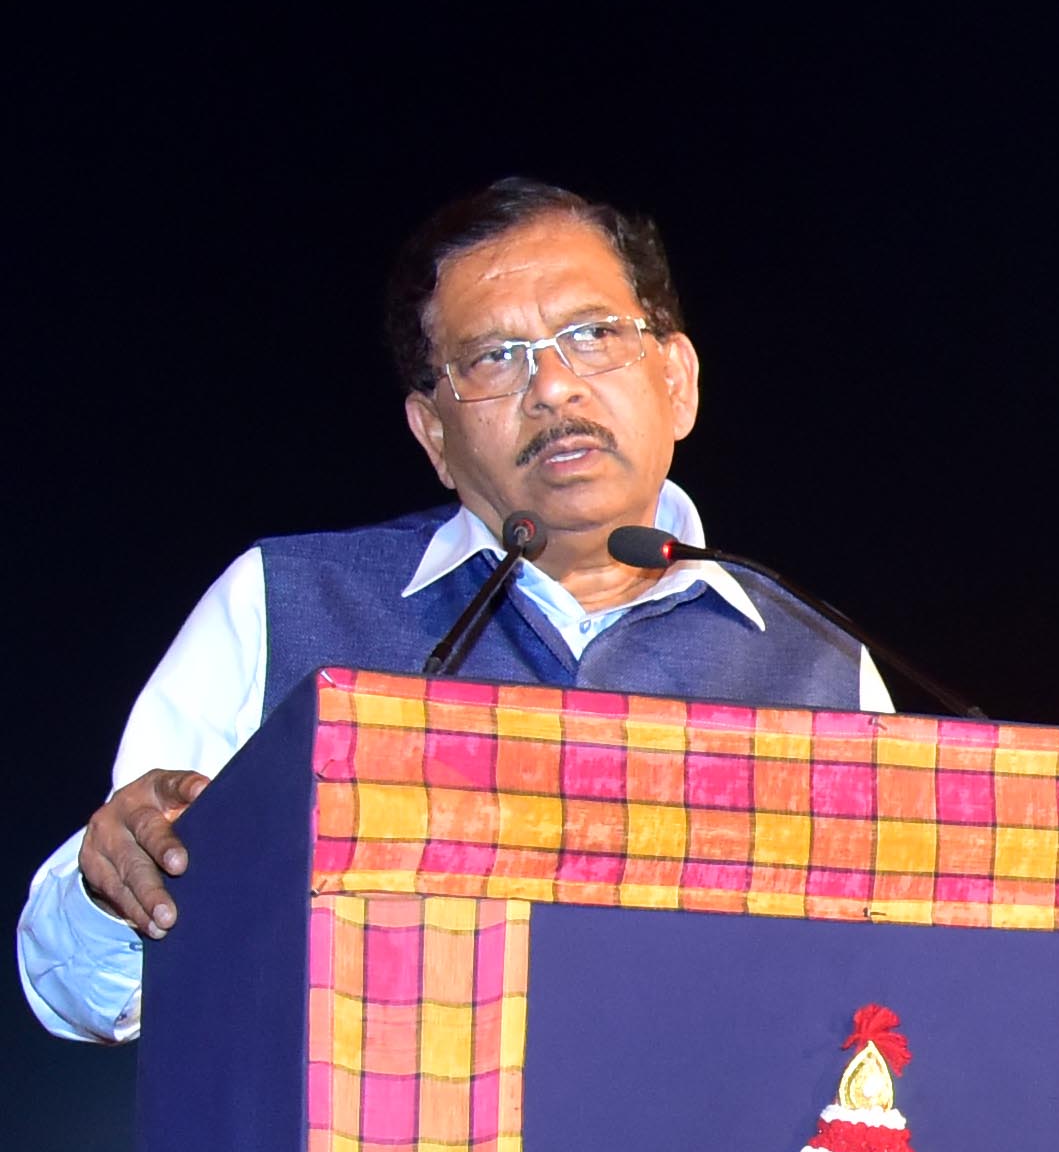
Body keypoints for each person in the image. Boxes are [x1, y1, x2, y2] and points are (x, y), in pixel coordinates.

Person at [24, 176, 889, 1044]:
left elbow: (892, 981)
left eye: (592, 335)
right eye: (494, 358)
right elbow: (84, 993)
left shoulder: (818, 662)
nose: (552, 388)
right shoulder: (283, 604)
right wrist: (109, 892)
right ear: (433, 434)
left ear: (677, 380)